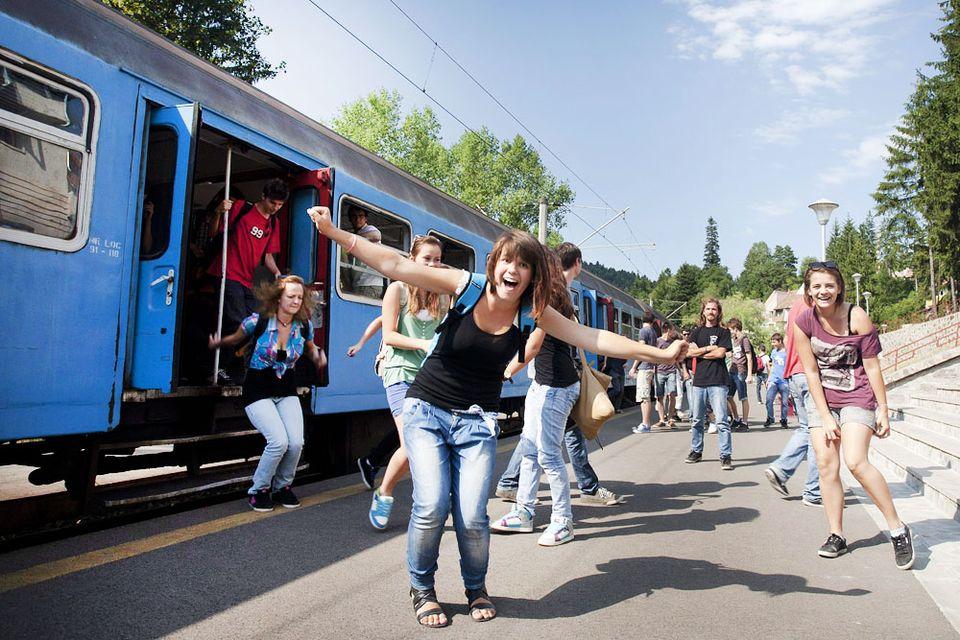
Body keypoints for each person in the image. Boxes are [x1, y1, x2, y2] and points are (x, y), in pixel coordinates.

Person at [307, 206, 686, 627]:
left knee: (472, 515)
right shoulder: (467, 286)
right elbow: (394, 264)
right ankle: (423, 589)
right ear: (494, 264)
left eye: (523, 265)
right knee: (431, 505)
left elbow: (594, 337)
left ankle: (475, 587)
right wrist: (333, 231)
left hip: (476, 421)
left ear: (533, 275)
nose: (513, 270)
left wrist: (660, 354)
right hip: (427, 409)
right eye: (507, 260)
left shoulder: (532, 314)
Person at [793, 262, 914, 569]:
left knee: (856, 461)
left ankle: (897, 529)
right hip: (823, 400)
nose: (823, 291)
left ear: (839, 288)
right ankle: (836, 534)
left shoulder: (856, 316)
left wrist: (883, 409)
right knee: (825, 465)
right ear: (808, 291)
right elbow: (810, 371)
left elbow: (872, 366)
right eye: (817, 286)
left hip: (857, 395)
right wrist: (825, 415)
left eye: (829, 285)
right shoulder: (803, 321)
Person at [495, 243, 624, 507]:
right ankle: (562, 504)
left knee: (540, 442)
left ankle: (523, 496)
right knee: (543, 448)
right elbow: (535, 343)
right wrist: (506, 372)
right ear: (577, 263)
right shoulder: (554, 293)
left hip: (558, 379)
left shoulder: (556, 292)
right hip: (553, 380)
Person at [208, 275, 326, 511]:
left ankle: (282, 487)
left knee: (296, 443)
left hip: (286, 389)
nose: (296, 301)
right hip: (257, 390)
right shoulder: (258, 321)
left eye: (299, 297)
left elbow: (311, 348)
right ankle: (258, 490)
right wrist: (218, 343)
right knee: (278, 442)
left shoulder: (304, 326)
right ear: (278, 298)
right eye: (290, 296)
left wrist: (318, 357)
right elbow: (236, 339)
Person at [491, 249, 583, 546]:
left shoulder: (550, 298)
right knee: (530, 449)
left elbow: (532, 346)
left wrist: (503, 373)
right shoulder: (545, 294)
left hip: (557, 385)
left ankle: (563, 521)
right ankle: (524, 512)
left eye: (526, 265)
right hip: (542, 384)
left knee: (548, 455)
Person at [367, 236, 450, 530]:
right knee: (412, 441)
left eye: (437, 259)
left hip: (429, 375)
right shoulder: (397, 290)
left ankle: (421, 500)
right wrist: (424, 344)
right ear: (413, 259)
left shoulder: (443, 295)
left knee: (433, 441)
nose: (433, 264)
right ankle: (387, 494)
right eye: (427, 258)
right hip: (399, 370)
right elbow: (389, 335)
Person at [208, 179, 288, 380]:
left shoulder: (274, 223)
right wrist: (218, 212)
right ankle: (222, 368)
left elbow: (267, 256)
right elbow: (214, 233)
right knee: (236, 322)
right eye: (272, 203)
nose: (275, 208)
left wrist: (276, 272)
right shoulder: (241, 208)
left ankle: (244, 369)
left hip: (246, 280)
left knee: (258, 323)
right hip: (226, 272)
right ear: (263, 196)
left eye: (280, 205)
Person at [764, 299, 822, 507]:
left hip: (795, 374)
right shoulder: (818, 305)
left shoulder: (796, 305)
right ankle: (814, 491)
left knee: (806, 428)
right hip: (809, 372)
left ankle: (780, 469)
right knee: (819, 433)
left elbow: (790, 339)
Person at [684, 298, 734, 469]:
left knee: (722, 421)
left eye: (714, 309)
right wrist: (707, 349)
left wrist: (700, 352)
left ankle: (725, 455)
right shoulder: (696, 332)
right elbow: (689, 353)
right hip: (699, 381)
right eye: (708, 309)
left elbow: (720, 354)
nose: (711, 311)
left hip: (718, 381)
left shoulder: (724, 332)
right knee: (697, 420)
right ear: (703, 312)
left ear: (718, 312)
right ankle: (696, 451)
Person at [629, 311, 659, 433]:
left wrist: (634, 367)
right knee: (646, 396)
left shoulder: (643, 331)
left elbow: (641, 351)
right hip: (650, 366)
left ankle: (645, 424)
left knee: (644, 397)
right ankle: (646, 423)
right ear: (653, 321)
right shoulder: (653, 332)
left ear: (643, 319)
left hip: (644, 367)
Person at [346, 207, 384, 298]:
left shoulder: (368, 229)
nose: (357, 219)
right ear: (350, 219)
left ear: (366, 218)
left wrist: (350, 238)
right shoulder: (357, 233)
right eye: (354, 216)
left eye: (361, 216)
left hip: (368, 284)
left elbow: (376, 236)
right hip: (360, 283)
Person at [727, 318, 754, 430]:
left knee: (743, 397)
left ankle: (745, 422)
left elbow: (749, 357)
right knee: (728, 396)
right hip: (732, 371)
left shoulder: (744, 339)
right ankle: (736, 418)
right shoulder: (735, 340)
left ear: (735, 328)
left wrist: (749, 374)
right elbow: (736, 353)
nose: (730, 332)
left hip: (741, 371)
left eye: (730, 329)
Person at [654, 324, 679, 428]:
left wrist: (680, 370)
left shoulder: (674, 343)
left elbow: (676, 358)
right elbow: (653, 355)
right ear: (668, 330)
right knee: (659, 396)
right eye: (673, 330)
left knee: (672, 394)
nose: (674, 332)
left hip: (671, 371)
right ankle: (661, 420)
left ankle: (670, 418)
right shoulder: (657, 341)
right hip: (659, 371)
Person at [764, 334, 790, 428]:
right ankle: (770, 418)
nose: (773, 344)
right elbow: (773, 365)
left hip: (784, 380)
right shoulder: (774, 352)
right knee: (769, 400)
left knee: (784, 402)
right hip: (773, 379)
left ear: (780, 341)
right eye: (772, 342)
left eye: (774, 342)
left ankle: (783, 419)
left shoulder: (787, 352)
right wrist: (768, 379)